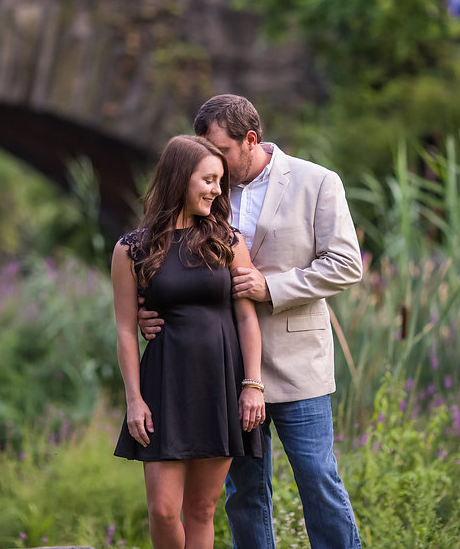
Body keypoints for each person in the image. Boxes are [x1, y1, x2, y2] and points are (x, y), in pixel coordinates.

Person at [139, 95, 364, 548]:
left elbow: (346, 263)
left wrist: (271, 288)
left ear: (251, 140)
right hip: (225, 368)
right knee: (243, 491)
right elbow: (172, 260)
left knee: (317, 477)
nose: (210, 162)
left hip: (297, 363)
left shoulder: (316, 182)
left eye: (220, 150)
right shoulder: (204, 186)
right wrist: (154, 309)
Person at [113, 134, 265, 548]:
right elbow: (126, 329)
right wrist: (133, 399)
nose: (218, 191)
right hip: (163, 386)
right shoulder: (132, 249)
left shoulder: (228, 241)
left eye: (220, 182)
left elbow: (246, 319)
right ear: (180, 178)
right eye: (209, 180)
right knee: (163, 510)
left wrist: (252, 384)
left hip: (219, 384)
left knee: (201, 510)